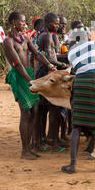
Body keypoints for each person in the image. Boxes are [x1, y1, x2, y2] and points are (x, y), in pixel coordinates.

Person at [3, 11, 55, 160]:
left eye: (25, 21)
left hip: (29, 74)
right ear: (13, 22)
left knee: (35, 110)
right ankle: (24, 150)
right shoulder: (8, 41)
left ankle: (30, 146)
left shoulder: (25, 38)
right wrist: (29, 81)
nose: (24, 24)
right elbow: (17, 64)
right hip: (20, 77)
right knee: (26, 111)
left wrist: (49, 64)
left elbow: (37, 53)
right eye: (21, 21)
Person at [61, 27, 95, 174]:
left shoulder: (71, 53)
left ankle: (72, 164)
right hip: (94, 82)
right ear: (87, 37)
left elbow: (75, 69)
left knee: (77, 125)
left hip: (79, 83)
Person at [37, 13, 69, 150]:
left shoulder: (49, 35)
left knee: (46, 110)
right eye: (55, 23)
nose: (58, 25)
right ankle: (51, 139)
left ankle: (48, 138)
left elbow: (53, 56)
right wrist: (63, 65)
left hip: (46, 73)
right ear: (47, 22)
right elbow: (49, 58)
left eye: (58, 23)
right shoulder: (47, 36)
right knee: (52, 108)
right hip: (46, 74)